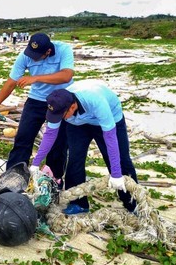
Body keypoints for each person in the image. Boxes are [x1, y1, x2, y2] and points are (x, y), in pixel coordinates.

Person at [31, 80, 139, 215]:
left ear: (72, 106)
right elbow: (50, 134)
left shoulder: (96, 101)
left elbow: (110, 138)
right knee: (75, 158)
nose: (58, 119)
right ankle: (78, 203)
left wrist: (116, 174)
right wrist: (35, 164)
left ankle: (132, 203)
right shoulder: (59, 106)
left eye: (60, 116)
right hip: (78, 124)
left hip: (108, 121)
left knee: (122, 160)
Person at [0, 33, 74, 180]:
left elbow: (66, 76)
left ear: (48, 52)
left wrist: (36, 78)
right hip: (36, 100)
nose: (32, 57)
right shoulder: (25, 56)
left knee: (59, 144)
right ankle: (14, 177)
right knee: (23, 138)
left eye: (36, 55)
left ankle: (53, 180)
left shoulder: (64, 49)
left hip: (60, 101)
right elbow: (10, 83)